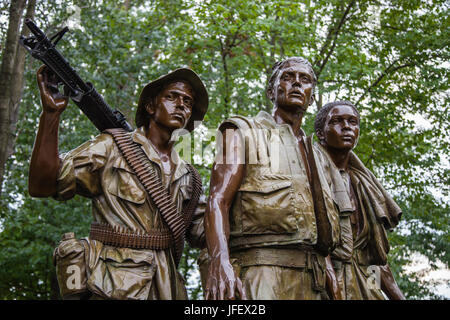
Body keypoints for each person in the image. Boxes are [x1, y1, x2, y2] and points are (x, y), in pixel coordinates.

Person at [28, 65, 208, 300]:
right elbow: (42, 185)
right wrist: (51, 115)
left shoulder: (189, 177)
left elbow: (205, 233)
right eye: (172, 96)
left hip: (168, 288)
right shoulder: (111, 147)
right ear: (151, 106)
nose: (181, 105)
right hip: (114, 285)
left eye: (188, 101)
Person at [203, 57, 342, 300]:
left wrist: (329, 270)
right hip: (261, 274)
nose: (297, 84)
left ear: (312, 96)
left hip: (313, 280)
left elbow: (318, 220)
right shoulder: (244, 132)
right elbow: (218, 200)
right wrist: (219, 260)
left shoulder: (317, 154)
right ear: (271, 90)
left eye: (305, 80)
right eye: (288, 77)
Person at [313, 100, 405, 300]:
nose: (346, 126)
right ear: (321, 133)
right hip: (318, 282)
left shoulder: (364, 184)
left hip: (363, 282)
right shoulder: (308, 172)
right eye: (337, 121)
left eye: (352, 122)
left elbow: (375, 258)